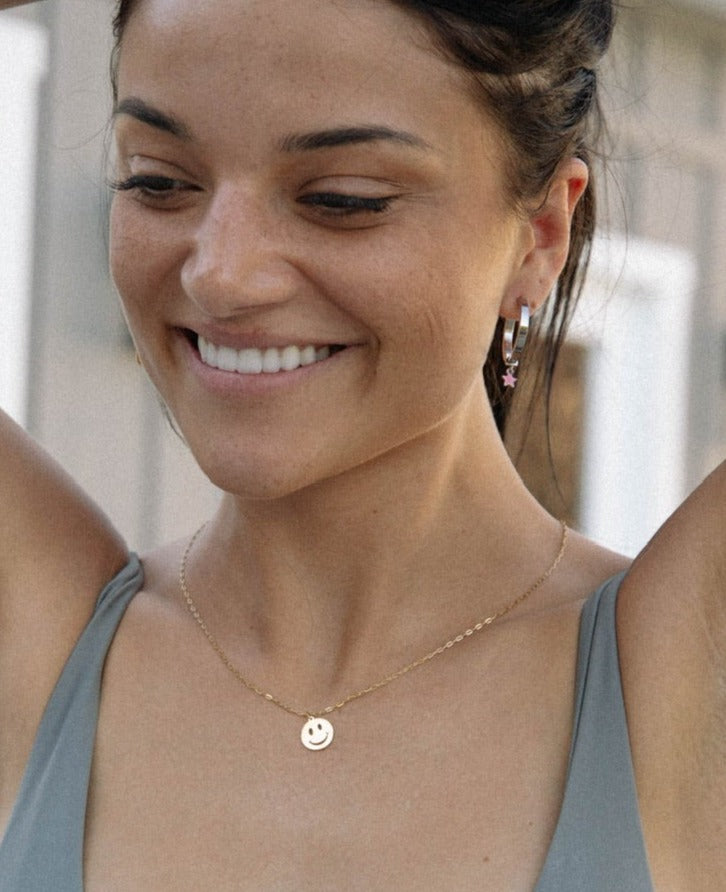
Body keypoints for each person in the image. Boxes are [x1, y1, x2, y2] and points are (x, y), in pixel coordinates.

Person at [0, 0, 724, 888]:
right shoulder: (35, 638)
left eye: (342, 200)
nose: (220, 274)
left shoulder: (682, 676)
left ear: (540, 237)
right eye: (158, 182)